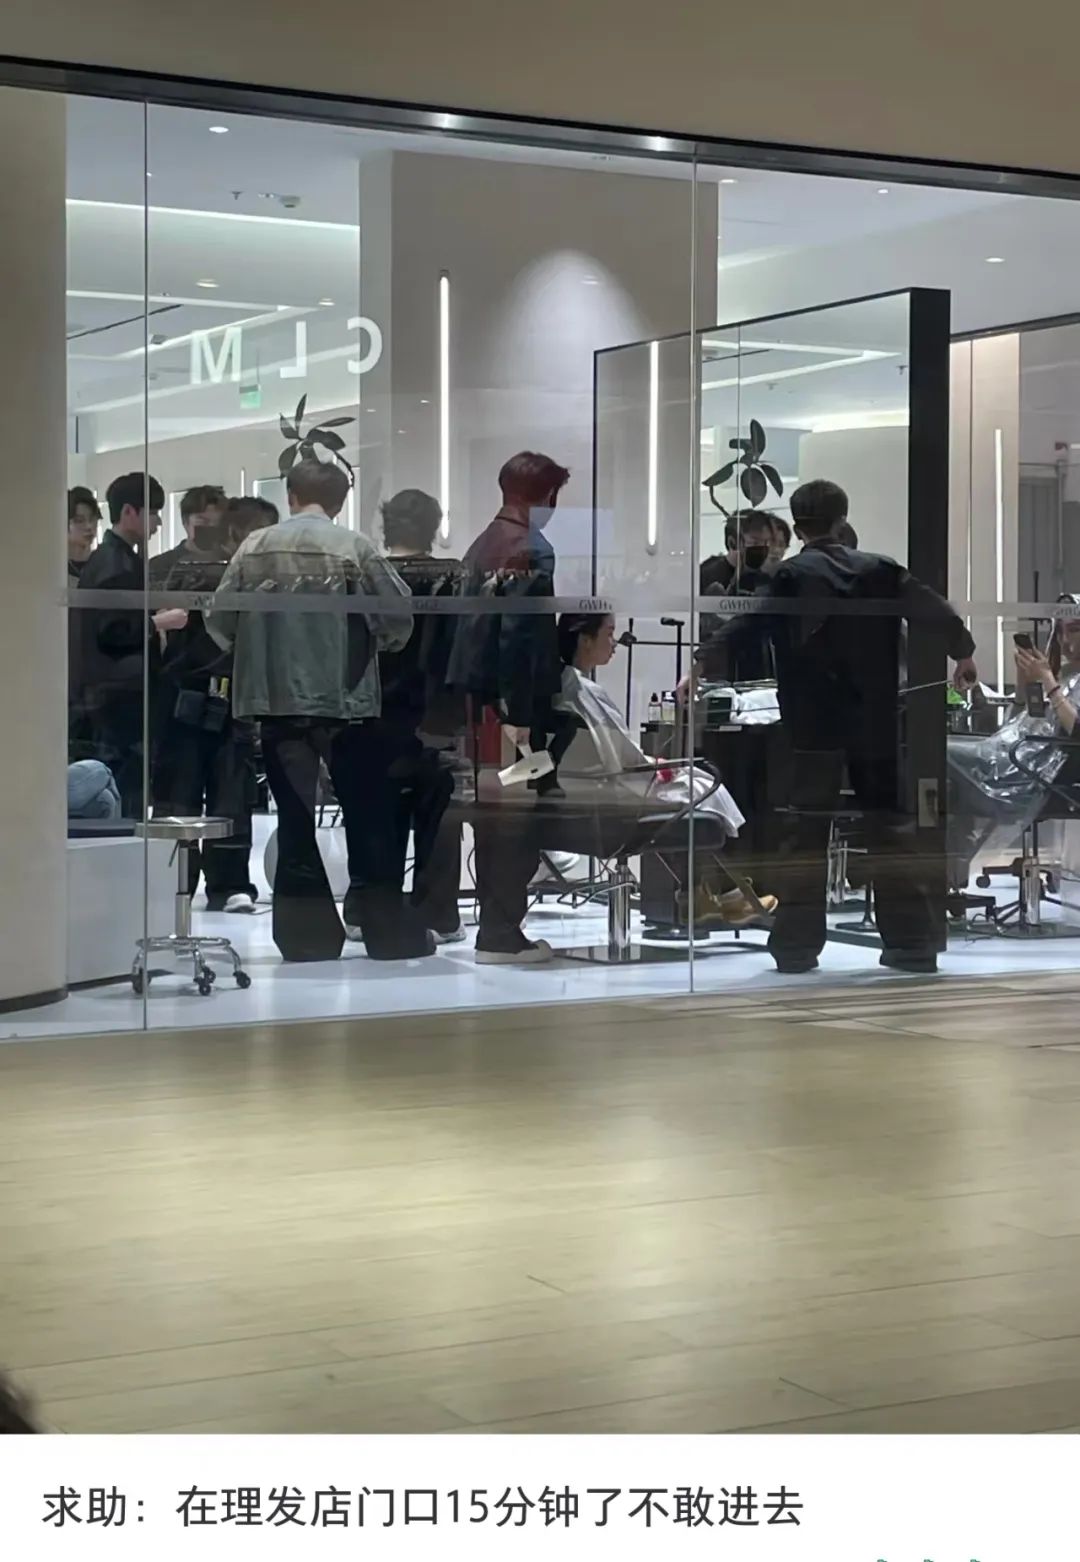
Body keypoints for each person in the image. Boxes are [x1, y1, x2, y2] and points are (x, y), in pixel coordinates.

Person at [689, 478, 978, 975]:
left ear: (797, 526)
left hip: (813, 722)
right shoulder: (881, 569)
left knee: (805, 832)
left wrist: (700, 662)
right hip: (875, 719)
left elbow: (751, 623)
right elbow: (932, 608)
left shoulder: (792, 574)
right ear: (842, 520)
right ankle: (912, 946)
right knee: (890, 828)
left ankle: (797, 948)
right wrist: (964, 652)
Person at [207, 459, 422, 962]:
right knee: (367, 817)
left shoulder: (255, 547)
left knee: (295, 819)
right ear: (342, 501)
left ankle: (305, 938)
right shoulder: (354, 548)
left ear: (290, 495)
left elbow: (220, 620)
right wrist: (375, 644)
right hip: (346, 702)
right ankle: (384, 930)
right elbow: (397, 616)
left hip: (276, 701)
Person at [556, 614, 775, 926]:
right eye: (609, 633)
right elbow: (624, 759)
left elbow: (612, 752)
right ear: (585, 640)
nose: (615, 643)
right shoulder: (586, 692)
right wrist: (654, 766)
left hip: (583, 792)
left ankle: (701, 893)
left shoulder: (562, 687)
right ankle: (714, 895)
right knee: (704, 785)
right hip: (616, 793)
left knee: (693, 791)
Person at [448, 450, 571, 964]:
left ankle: (496, 927)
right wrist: (522, 717)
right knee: (518, 821)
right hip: (512, 707)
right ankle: (501, 932)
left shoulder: (481, 544)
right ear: (549, 496)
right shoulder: (532, 549)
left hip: (476, 703)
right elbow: (522, 636)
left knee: (494, 817)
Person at [149, 485, 259, 913]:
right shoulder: (162, 570)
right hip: (180, 693)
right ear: (186, 522)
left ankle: (230, 884)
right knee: (178, 794)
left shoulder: (238, 570)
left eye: (216, 524)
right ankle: (173, 884)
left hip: (232, 689)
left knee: (232, 793)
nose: (209, 532)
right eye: (201, 524)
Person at [371, 489, 464, 943]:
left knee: (375, 818)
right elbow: (455, 652)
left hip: (373, 710)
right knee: (438, 818)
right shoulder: (450, 577)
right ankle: (437, 913)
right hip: (433, 710)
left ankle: (370, 909)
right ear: (433, 526)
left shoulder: (369, 576)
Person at [77, 472, 187, 816]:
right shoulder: (115, 563)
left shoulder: (117, 559)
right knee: (125, 797)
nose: (157, 522)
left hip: (116, 695)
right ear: (129, 512)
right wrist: (158, 623)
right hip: (119, 700)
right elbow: (110, 629)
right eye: (152, 512)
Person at [699, 511, 777, 683]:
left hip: (757, 669)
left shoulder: (765, 579)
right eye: (755, 542)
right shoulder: (707, 575)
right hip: (718, 668)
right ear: (732, 542)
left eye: (766, 543)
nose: (762, 548)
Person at [67, 486, 100, 578]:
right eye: (80, 521)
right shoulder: (55, 569)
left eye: (92, 519)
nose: (89, 526)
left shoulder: (103, 565)